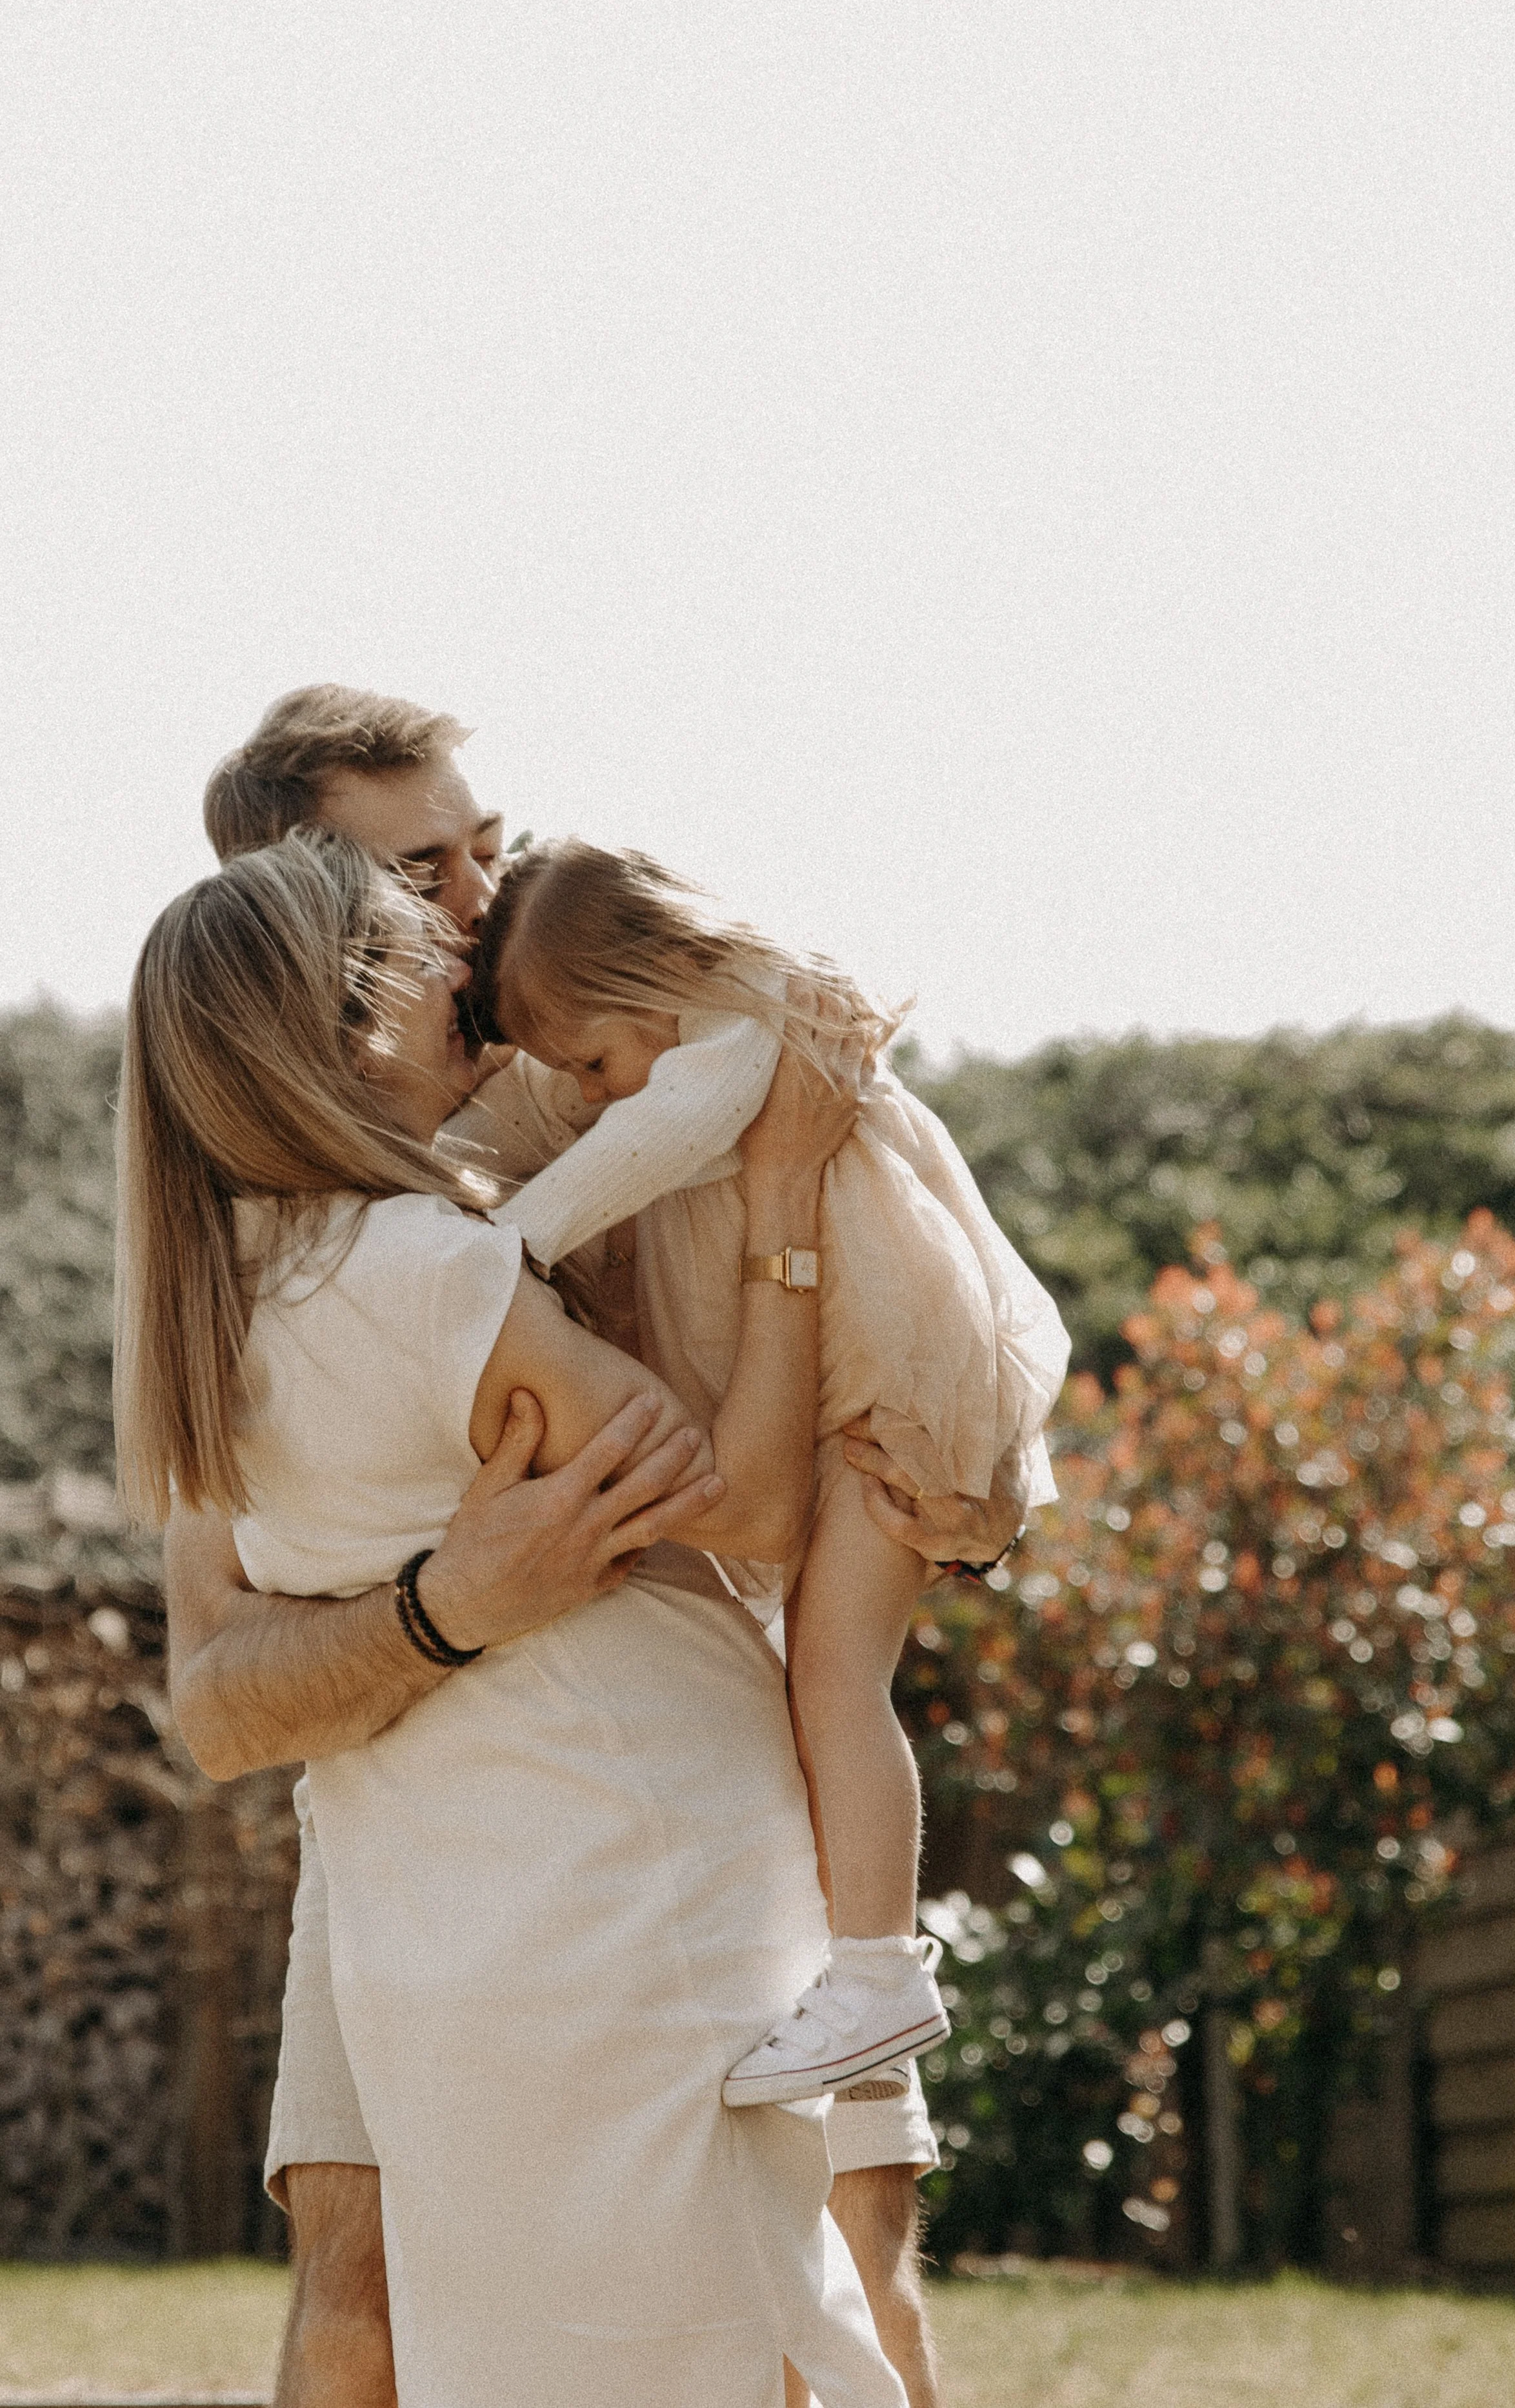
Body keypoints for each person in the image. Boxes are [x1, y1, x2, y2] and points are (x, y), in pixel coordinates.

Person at [168, 686, 1027, 2408]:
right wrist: (451, 1604)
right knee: (367, 2289)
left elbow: (825, 1279)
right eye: (426, 869)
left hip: (702, 1731)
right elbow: (218, 1687)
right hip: (427, 1822)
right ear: (308, 917)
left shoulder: (584, 1048)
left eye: (484, 841)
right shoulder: (238, 1242)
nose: (484, 895)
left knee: (847, 2264)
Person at [470, 839, 1070, 2105]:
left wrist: (490, 1253)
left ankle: (877, 1974)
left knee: (833, 1677)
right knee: (824, 1671)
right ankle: (850, 1970)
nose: (586, 1099)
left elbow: (651, 1141)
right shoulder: (734, 1014)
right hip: (890, 1383)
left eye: (591, 1060)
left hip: (887, 1402)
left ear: (653, 972)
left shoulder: (746, 1035)